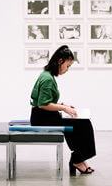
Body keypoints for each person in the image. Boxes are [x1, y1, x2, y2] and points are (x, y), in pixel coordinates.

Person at [30, 45, 96, 175]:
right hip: (42, 118)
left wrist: (63, 104)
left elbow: (45, 101)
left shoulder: (47, 75)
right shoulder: (47, 78)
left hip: (44, 116)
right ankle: (78, 160)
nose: (67, 70)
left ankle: (79, 159)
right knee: (82, 125)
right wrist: (64, 108)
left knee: (82, 123)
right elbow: (43, 104)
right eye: (68, 66)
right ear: (60, 61)